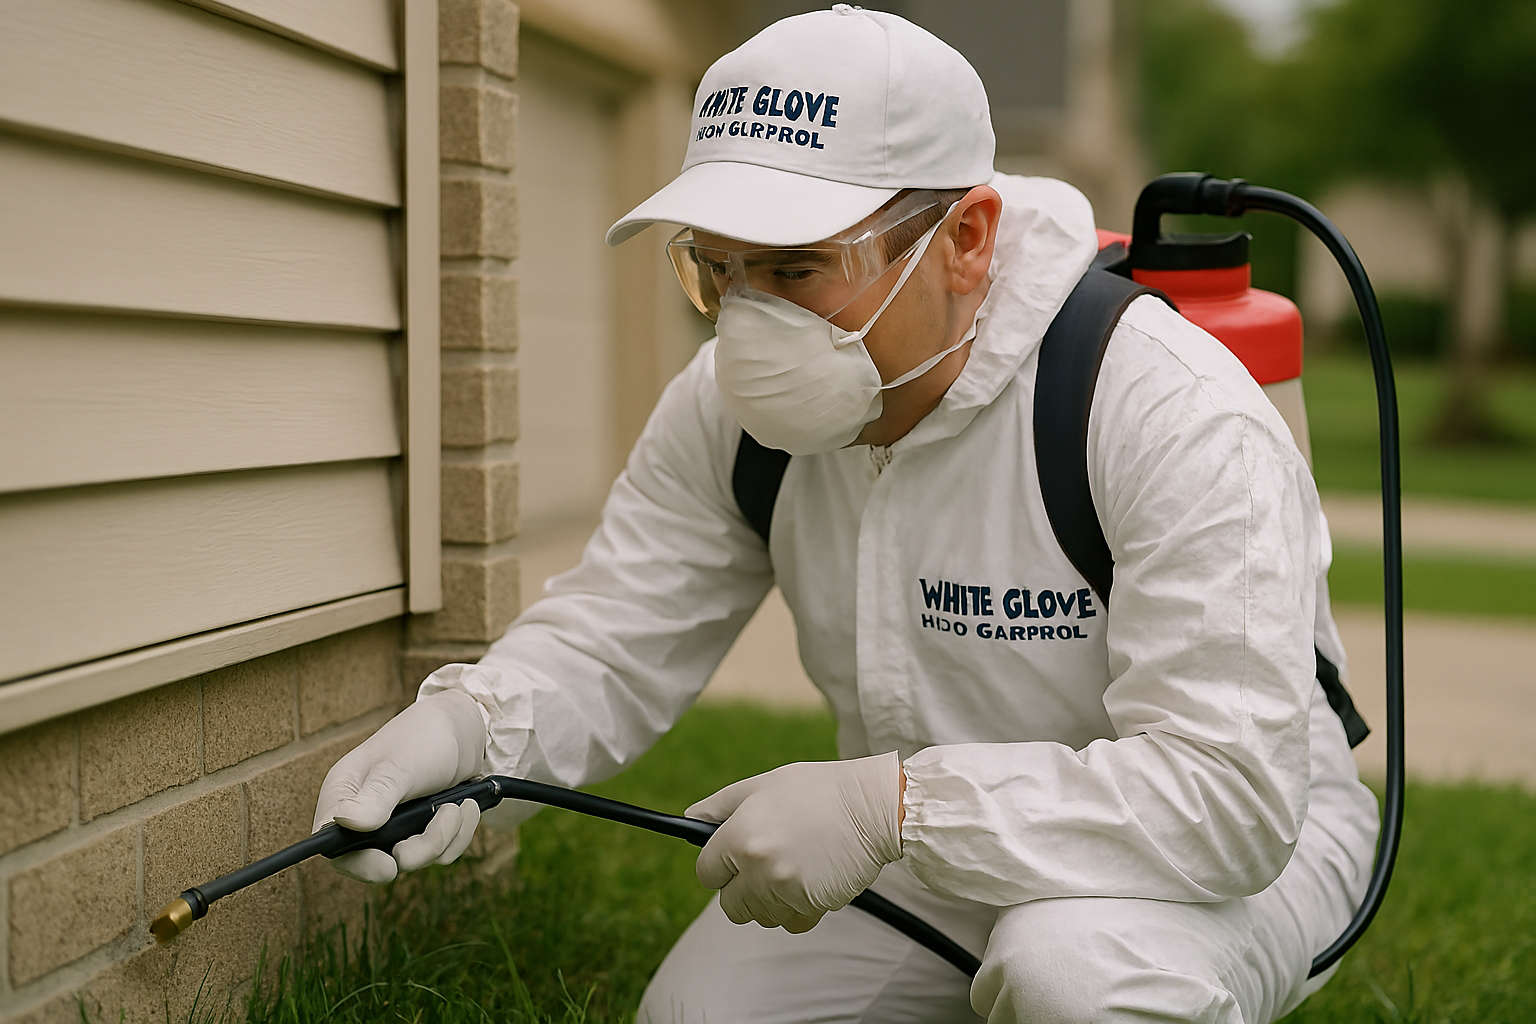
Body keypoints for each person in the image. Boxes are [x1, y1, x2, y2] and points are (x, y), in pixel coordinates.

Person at [312, 7, 1379, 1022]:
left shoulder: (1159, 406)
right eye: (717, 271)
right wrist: (466, 731)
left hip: (1222, 851)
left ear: (966, 237)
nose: (750, 323)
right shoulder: (729, 413)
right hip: (926, 844)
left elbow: (1226, 798)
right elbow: (617, 630)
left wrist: (891, 809)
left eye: (796, 269)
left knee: (1072, 975)